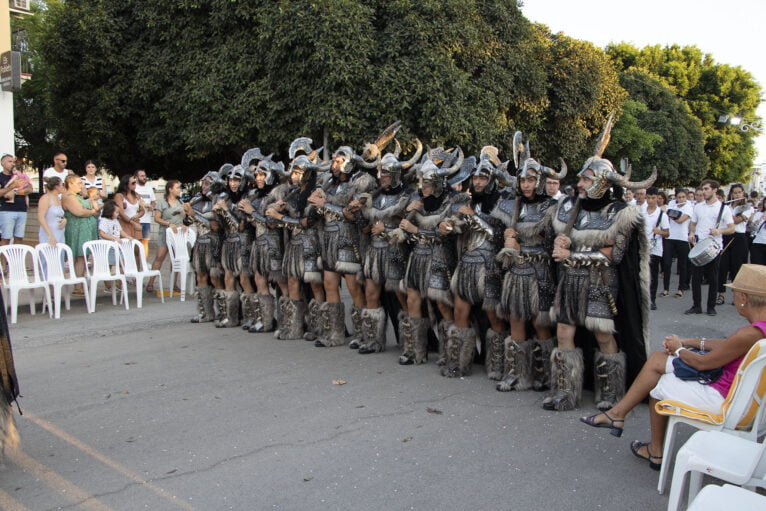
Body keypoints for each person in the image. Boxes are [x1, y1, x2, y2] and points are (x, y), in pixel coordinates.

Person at [580, 264, 766, 471]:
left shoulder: (750, 333)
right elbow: (729, 347)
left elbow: (703, 363)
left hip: (725, 399)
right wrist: (690, 342)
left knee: (658, 382)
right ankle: (620, 418)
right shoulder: (757, 331)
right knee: (659, 363)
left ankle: (647, 443)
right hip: (742, 396)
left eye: (736, 293)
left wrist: (678, 349)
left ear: (744, 299)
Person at [546, 116, 655, 412]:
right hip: (570, 282)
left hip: (600, 284)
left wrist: (573, 255)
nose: (579, 183)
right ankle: (565, 392)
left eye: (585, 179)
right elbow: (562, 239)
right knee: (564, 332)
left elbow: (613, 256)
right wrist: (560, 243)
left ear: (603, 183)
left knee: (604, 334)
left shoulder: (620, 213)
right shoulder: (569, 207)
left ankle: (611, 391)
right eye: (581, 178)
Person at [494, 133, 564, 392]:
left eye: (531, 180)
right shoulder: (510, 205)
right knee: (515, 320)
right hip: (515, 270)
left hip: (540, 271)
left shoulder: (551, 208)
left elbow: (553, 243)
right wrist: (506, 238)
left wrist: (521, 243)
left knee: (540, 322)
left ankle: (545, 373)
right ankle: (516, 373)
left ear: (540, 181)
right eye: (523, 179)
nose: (525, 184)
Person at [447, 147, 513, 379]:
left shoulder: (503, 203)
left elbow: (500, 236)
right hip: (466, 264)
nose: (477, 181)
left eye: (483, 177)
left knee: (494, 316)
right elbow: (458, 229)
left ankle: (496, 363)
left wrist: (473, 218)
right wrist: (451, 225)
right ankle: (459, 361)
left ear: (492, 179)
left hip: (489, 266)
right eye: (475, 177)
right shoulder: (465, 201)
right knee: (459, 311)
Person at [308, 145, 378, 347]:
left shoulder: (360, 182)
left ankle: (362, 333)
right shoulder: (329, 183)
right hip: (328, 240)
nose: (334, 165)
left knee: (354, 288)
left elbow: (350, 212)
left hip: (348, 239)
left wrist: (324, 204)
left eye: (339, 161)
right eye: (334, 161)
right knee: (330, 283)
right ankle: (334, 333)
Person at [686, 179, 734, 316]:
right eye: (703, 189)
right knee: (696, 278)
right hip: (699, 245)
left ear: (714, 190)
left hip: (714, 246)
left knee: (713, 278)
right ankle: (696, 306)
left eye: (707, 189)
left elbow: (731, 228)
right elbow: (693, 223)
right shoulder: (698, 207)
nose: (704, 191)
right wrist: (691, 233)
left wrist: (719, 231)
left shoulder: (723, 208)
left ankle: (711, 307)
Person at [146, 180, 190, 294]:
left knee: (176, 259)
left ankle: (174, 284)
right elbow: (156, 218)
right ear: (170, 189)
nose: (179, 190)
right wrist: (168, 224)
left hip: (178, 235)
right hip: (165, 233)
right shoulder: (162, 203)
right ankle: (150, 283)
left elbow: (186, 218)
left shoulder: (181, 202)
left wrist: (184, 225)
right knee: (159, 257)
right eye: (177, 188)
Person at [62, 175, 101, 295]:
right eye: (78, 183)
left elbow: (92, 212)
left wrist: (91, 211)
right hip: (77, 230)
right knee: (79, 257)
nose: (81, 185)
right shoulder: (68, 197)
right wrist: (92, 211)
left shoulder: (79, 196)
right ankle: (77, 286)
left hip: (86, 230)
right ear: (70, 184)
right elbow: (79, 212)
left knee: (84, 258)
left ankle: (81, 282)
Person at [717, 184, 751, 305]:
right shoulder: (726, 206)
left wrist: (724, 214)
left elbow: (736, 221)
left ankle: (737, 297)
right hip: (726, 236)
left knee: (737, 268)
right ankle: (721, 294)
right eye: (735, 193)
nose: (737, 195)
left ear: (743, 193)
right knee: (722, 267)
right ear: (731, 194)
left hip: (739, 238)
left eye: (739, 192)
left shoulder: (747, 207)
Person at [663, 188, 694, 298]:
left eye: (683, 197)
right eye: (679, 197)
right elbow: (666, 216)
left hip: (682, 238)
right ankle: (666, 289)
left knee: (682, 264)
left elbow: (681, 220)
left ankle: (681, 289)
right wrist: (671, 213)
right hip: (670, 237)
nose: (681, 199)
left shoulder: (689, 207)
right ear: (676, 197)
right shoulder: (671, 204)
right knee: (666, 263)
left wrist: (670, 213)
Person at [643, 187, 669, 310]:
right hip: (642, 247)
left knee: (653, 275)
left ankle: (652, 300)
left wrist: (659, 232)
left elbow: (667, 233)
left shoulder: (661, 214)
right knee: (642, 274)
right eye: (648, 197)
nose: (650, 200)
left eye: (653, 198)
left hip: (655, 248)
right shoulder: (641, 211)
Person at [0, 154, 33, 246]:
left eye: (13, 162)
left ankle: (16, 260)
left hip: (22, 210)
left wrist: (15, 192)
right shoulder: (1, 177)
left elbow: (29, 189)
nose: (12, 164)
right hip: (6, 211)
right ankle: (4, 261)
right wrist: (12, 186)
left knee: (19, 238)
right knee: (5, 238)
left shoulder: (20, 175)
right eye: (9, 161)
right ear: (2, 163)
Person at [113, 175, 145, 241]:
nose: (135, 185)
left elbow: (142, 210)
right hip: (124, 224)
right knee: (126, 246)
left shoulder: (136, 195)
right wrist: (132, 222)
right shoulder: (119, 196)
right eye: (133, 183)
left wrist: (137, 216)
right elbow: (121, 212)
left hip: (135, 223)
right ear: (126, 184)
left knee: (137, 247)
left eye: (135, 182)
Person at [37, 177, 66, 246]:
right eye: (62, 184)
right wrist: (50, 235)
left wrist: (64, 219)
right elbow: (41, 217)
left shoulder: (58, 198)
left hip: (59, 232)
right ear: (56, 187)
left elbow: (59, 214)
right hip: (49, 232)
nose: (63, 187)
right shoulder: (45, 198)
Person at [134, 169, 156, 256]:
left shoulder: (149, 188)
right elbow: (134, 201)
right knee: (136, 242)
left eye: (145, 175)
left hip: (147, 219)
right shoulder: (134, 188)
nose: (144, 178)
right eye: (142, 176)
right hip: (137, 219)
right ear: (136, 177)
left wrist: (152, 206)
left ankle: (145, 263)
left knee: (145, 242)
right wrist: (145, 205)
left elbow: (153, 201)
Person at [749, 199, 766, 265]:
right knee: (756, 266)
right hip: (758, 243)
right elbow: (752, 228)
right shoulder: (759, 214)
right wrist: (760, 220)